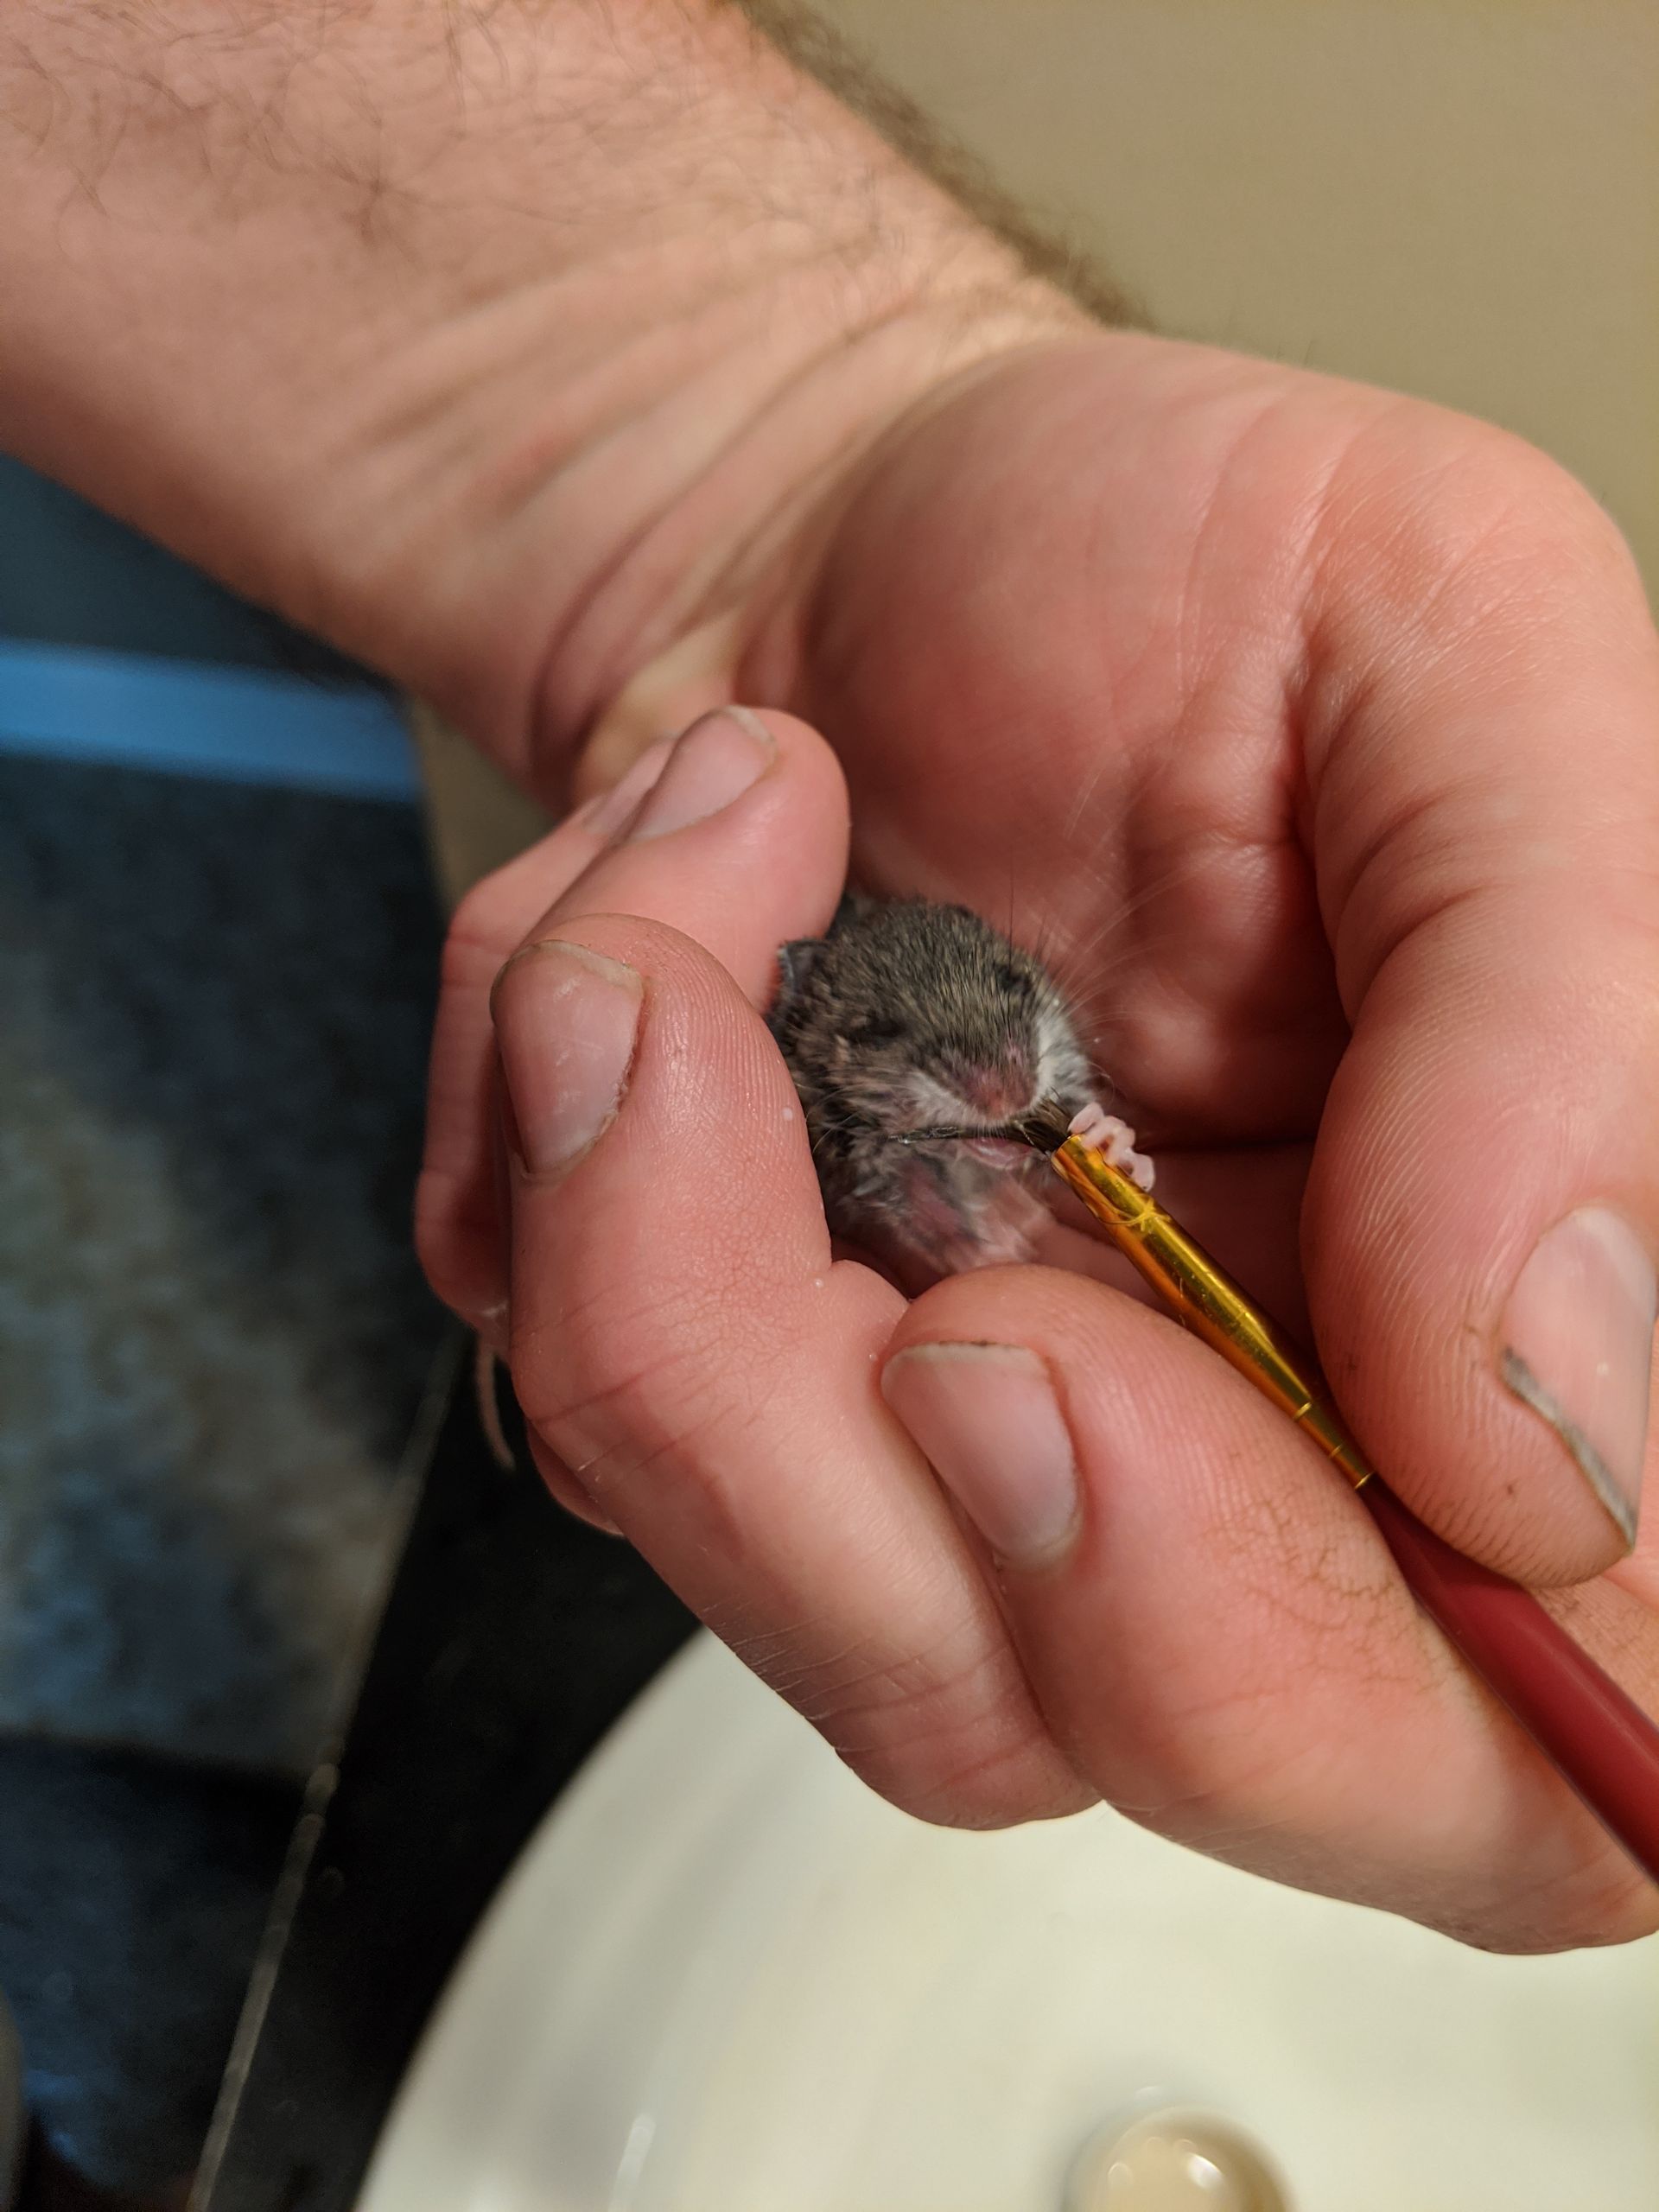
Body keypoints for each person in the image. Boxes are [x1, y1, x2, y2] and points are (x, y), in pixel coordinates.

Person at [3, 2, 1654, 1955]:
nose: (1016, 1091)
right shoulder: (842, 1088)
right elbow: (923, 1191)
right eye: (953, 1074)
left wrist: (805, 436)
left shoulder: (1026, 1043)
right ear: (854, 1051)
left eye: (1022, 1049)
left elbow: (1040, 1096)